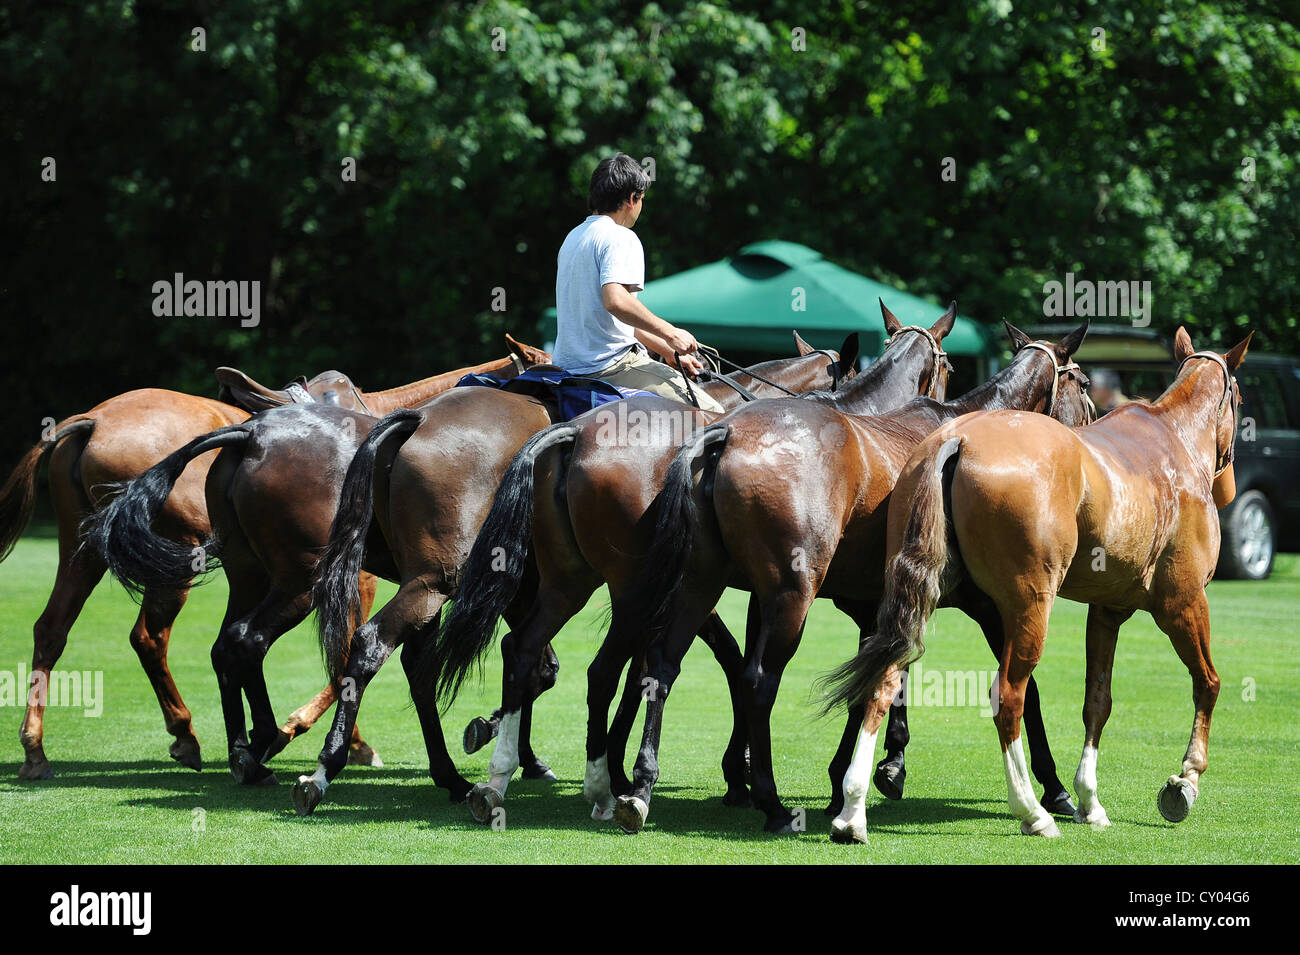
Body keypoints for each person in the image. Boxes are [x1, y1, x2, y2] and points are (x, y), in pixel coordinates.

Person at [552, 153, 725, 413]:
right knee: (715, 414)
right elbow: (617, 301)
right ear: (632, 199)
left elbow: (619, 320)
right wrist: (672, 333)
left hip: (567, 369)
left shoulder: (573, 238)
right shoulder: (621, 237)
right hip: (610, 368)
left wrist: (666, 350)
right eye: (642, 199)